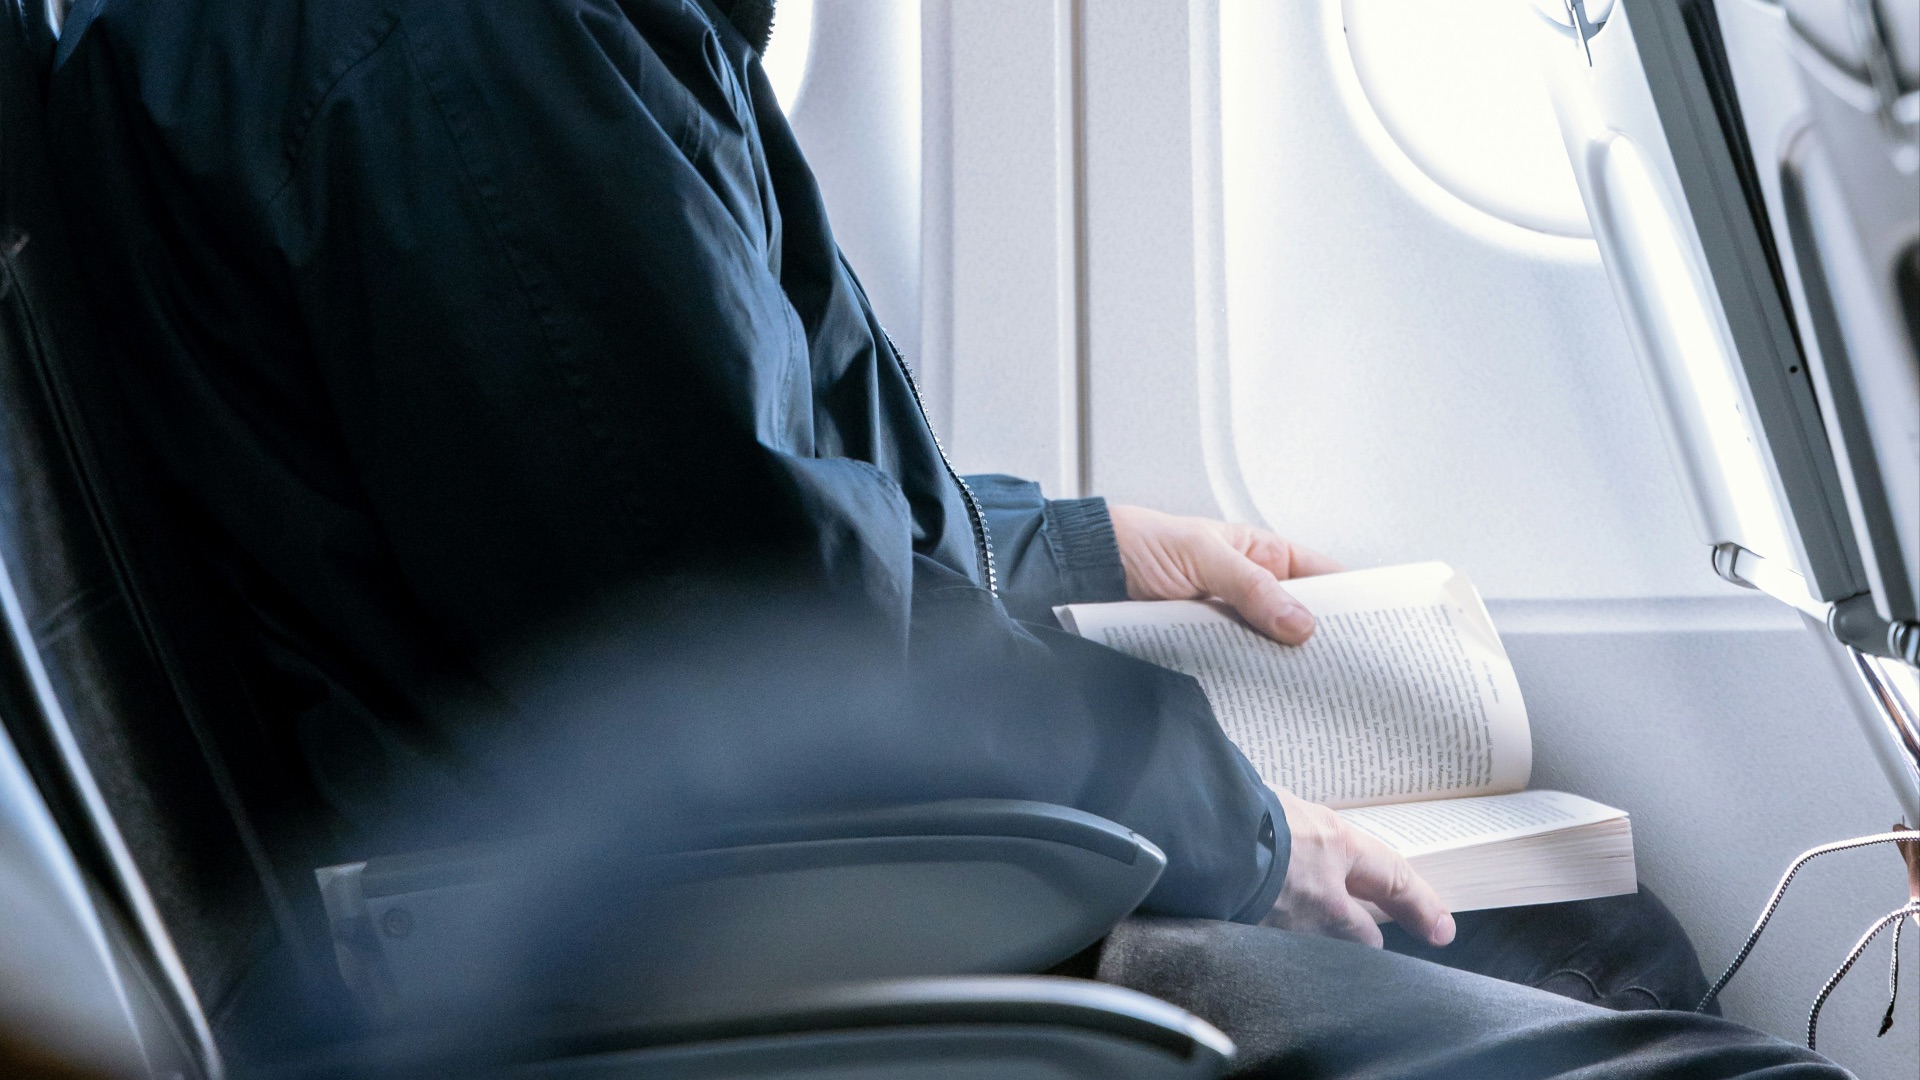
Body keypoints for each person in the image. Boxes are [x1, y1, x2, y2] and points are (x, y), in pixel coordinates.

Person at [44, 0, 1846, 1076]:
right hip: (752, 939)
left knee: (1605, 933)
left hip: (799, 868)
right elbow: (749, 645)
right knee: (1652, 1031)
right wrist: (1247, 828)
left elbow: (694, 476)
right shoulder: (476, 55)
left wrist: (1065, 541)